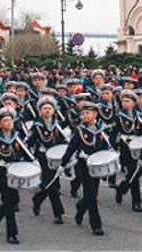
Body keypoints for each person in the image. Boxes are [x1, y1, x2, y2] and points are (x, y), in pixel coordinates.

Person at [59, 100, 114, 236]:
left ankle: (81, 207)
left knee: (92, 194)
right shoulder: (79, 130)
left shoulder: (100, 130)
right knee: (92, 196)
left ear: (95, 114)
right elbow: (71, 149)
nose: (84, 116)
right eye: (83, 113)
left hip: (96, 166)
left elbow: (105, 148)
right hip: (83, 165)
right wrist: (62, 164)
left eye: (88, 113)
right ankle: (96, 225)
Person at [0, 107, 33, 245]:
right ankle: (12, 234)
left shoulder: (18, 137)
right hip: (3, 171)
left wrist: (33, 164)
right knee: (9, 201)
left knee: (12, 200)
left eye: (10, 120)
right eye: (5, 120)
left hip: (16, 171)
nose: (9, 122)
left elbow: (25, 153)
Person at [26, 95, 68, 223]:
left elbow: (63, 141)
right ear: (40, 111)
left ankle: (37, 199)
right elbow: (29, 142)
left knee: (48, 183)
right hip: (43, 157)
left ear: (54, 110)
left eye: (50, 108)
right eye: (44, 108)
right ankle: (58, 213)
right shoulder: (37, 126)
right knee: (52, 184)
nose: (47, 110)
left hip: (55, 157)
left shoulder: (57, 125)